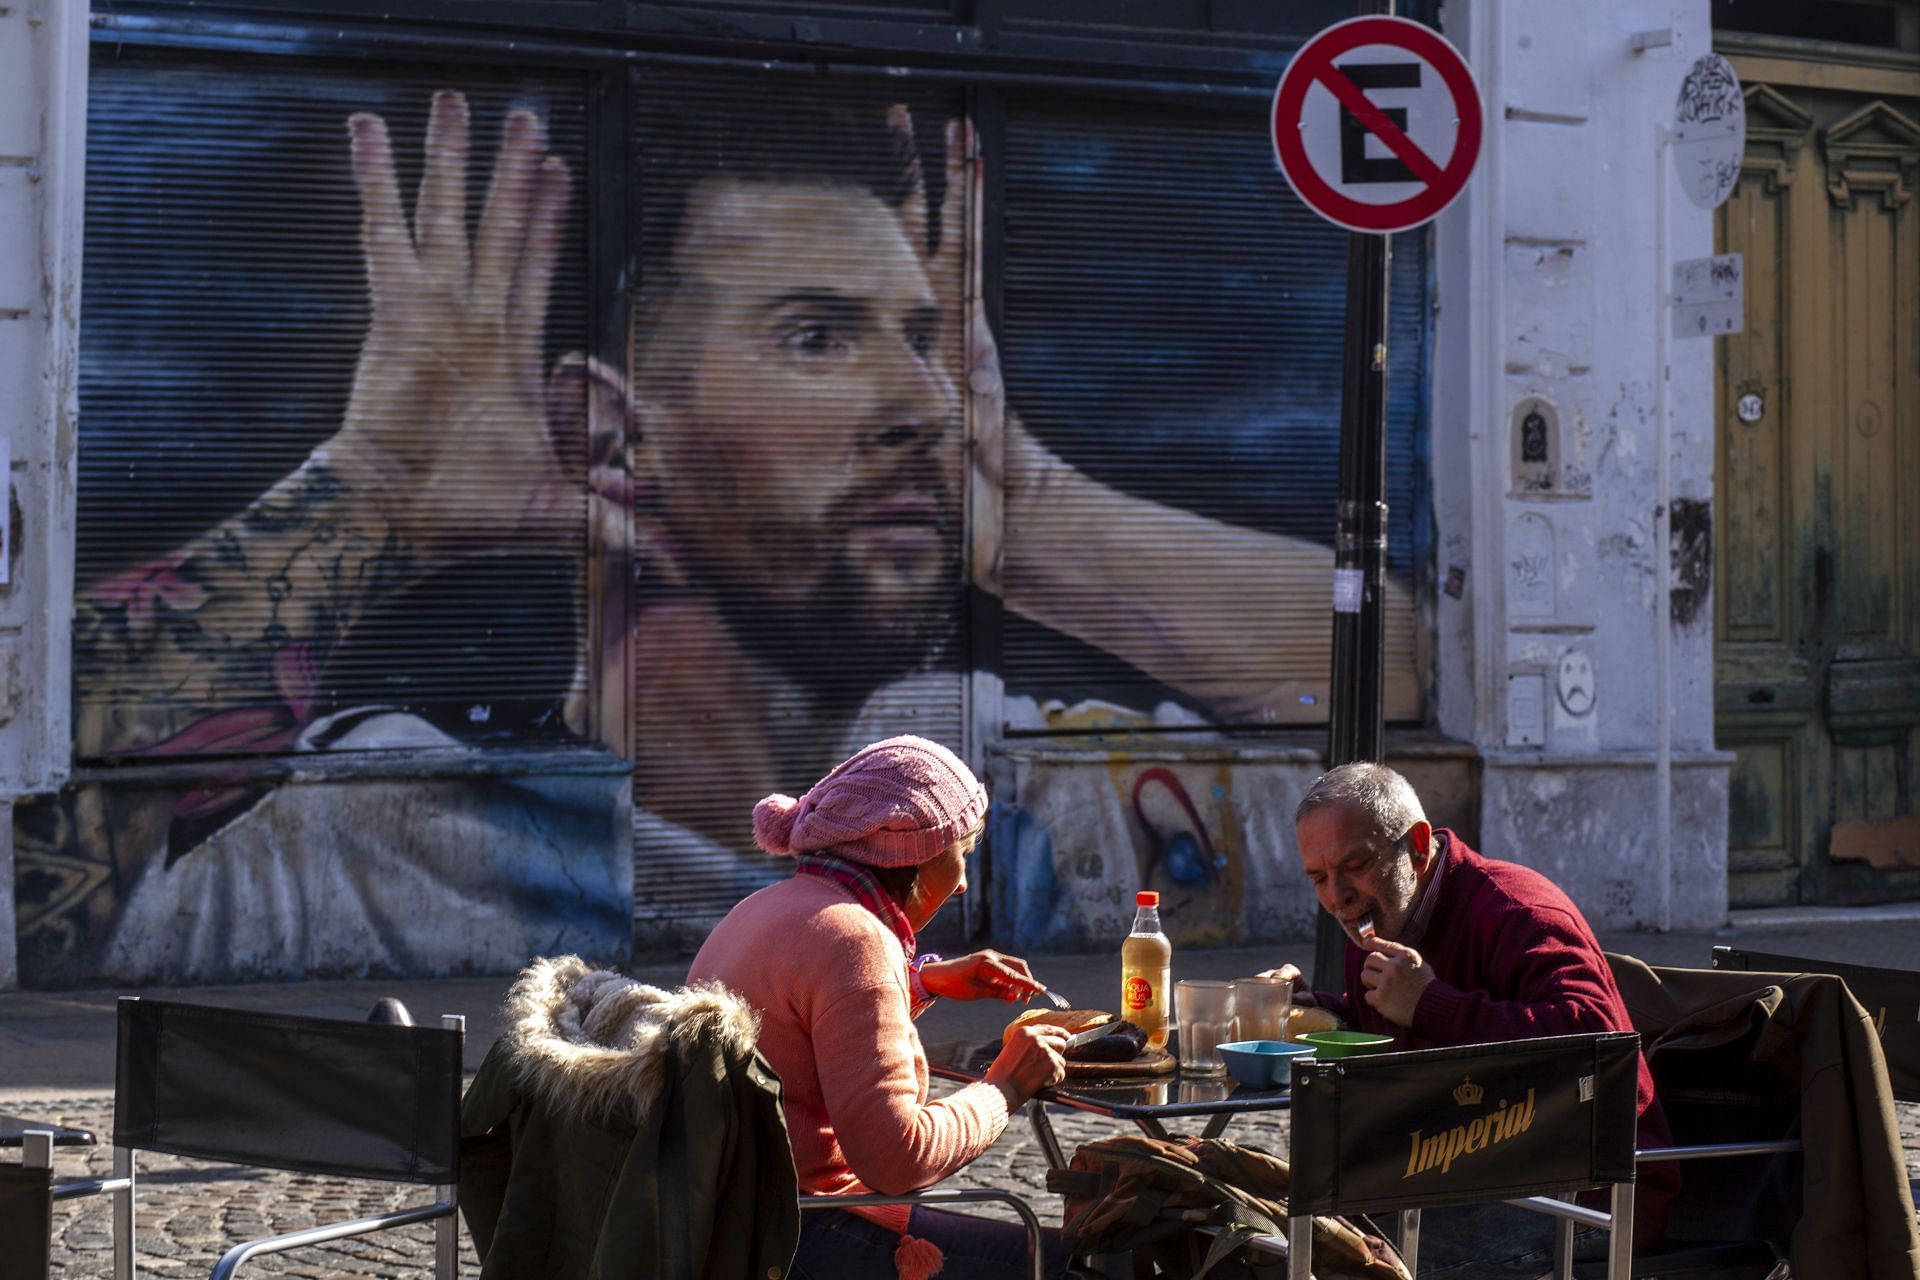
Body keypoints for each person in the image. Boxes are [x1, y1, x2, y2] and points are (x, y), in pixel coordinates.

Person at [23, 85, 1414, 981]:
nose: (924, 403)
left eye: (923, 342)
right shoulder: (393, 834)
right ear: (612, 434)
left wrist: (1037, 519)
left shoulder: (990, 783)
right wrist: (375, 492)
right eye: (819, 336)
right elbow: (41, 878)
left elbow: (1394, 697)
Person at [1267, 762, 1680, 1275]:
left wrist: (1433, 1004)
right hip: (1453, 1171)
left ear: (1417, 847)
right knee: (1275, 1222)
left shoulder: (1517, 910)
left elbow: (1598, 1037)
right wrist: (1320, 1010)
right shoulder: (1380, 919)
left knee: (1353, 1255)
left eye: (1355, 864)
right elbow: (1392, 1027)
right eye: (1318, 878)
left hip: (1590, 1195)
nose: (1336, 896)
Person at [687, 735, 1073, 1280]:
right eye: (960, 855)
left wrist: (920, 981)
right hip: (804, 1231)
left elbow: (807, 1022)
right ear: (912, 856)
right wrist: (1004, 1086)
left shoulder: (764, 908)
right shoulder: (856, 942)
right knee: (1074, 1264)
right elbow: (898, 1159)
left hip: (731, 1217)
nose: (962, 883)